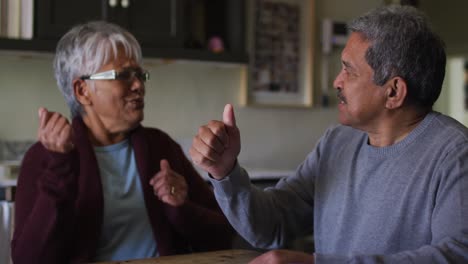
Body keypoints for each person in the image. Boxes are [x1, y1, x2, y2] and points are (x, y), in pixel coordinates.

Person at [190, 5, 468, 264]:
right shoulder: (337, 142)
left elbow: (456, 255)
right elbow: (270, 225)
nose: (337, 81)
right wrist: (225, 171)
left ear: (393, 92)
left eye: (349, 71)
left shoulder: (455, 154)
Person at [11, 21, 233, 263]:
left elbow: (223, 236)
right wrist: (60, 168)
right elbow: (27, 259)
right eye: (123, 75)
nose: (138, 85)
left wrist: (181, 207)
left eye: (139, 74)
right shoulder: (46, 157)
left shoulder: (161, 146)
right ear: (82, 90)